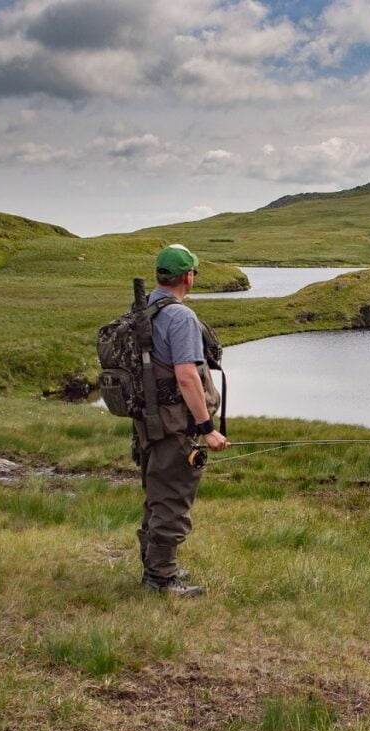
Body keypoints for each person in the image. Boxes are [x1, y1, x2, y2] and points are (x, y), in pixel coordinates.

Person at [135, 244, 229, 597]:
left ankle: (156, 566)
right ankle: (161, 579)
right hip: (175, 423)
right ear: (188, 276)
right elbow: (187, 376)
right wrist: (208, 430)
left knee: (157, 493)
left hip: (149, 420)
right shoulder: (181, 317)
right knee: (173, 496)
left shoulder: (144, 307)